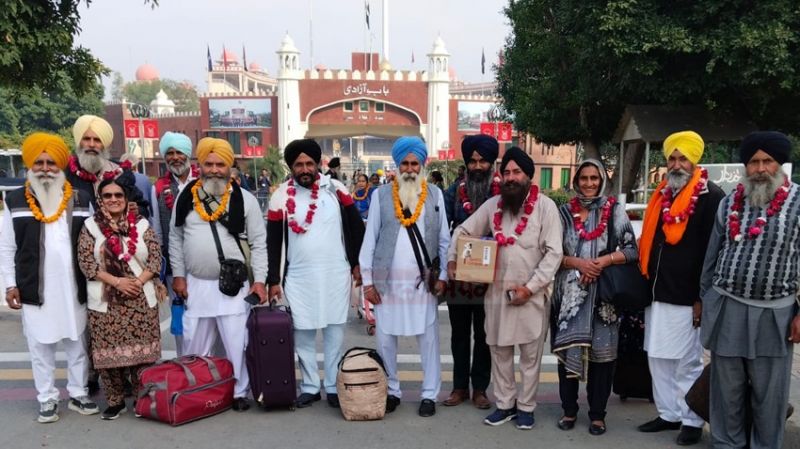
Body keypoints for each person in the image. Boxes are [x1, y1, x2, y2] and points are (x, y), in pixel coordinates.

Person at [447, 147, 563, 430]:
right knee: (499, 351)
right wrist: (453, 259)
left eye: (517, 172)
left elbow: (554, 254)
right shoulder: (493, 206)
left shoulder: (545, 207)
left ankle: (526, 407)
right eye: (507, 172)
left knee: (529, 355)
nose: (510, 178)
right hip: (497, 294)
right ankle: (505, 405)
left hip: (531, 295)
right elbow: (463, 230)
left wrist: (531, 287)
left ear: (528, 176)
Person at [700, 131, 800, 449]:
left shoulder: (798, 202)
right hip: (728, 306)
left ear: (779, 164)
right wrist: (705, 299)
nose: (760, 168)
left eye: (767, 161)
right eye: (754, 162)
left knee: (769, 394)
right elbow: (712, 256)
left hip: (777, 314)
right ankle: (726, 444)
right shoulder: (731, 200)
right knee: (725, 389)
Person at [0, 133, 99, 423]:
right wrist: (9, 284)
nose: (46, 168)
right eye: (40, 162)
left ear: (61, 166)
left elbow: (95, 241)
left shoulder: (79, 199)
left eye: (52, 162)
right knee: (40, 347)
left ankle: (79, 393)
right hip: (35, 286)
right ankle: (46, 398)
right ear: (31, 164)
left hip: (73, 286)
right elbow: (7, 247)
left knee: (77, 343)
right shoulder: (16, 200)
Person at [637, 131, 724, 445]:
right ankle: (668, 413)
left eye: (682, 158)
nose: (676, 164)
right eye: (672, 158)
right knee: (657, 356)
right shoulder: (663, 193)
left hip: (688, 296)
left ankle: (691, 420)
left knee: (686, 360)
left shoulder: (711, 196)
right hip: (657, 291)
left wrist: (703, 297)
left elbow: (713, 251)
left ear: (694, 160)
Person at [169, 137, 268, 412]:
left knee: (237, 342)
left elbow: (259, 244)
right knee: (194, 343)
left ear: (230, 166)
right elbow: (175, 238)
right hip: (196, 284)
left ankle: (238, 391)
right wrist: (178, 275)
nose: (214, 170)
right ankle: (196, 388)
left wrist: (259, 281)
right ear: (200, 165)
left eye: (220, 164)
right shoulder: (186, 195)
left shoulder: (245, 199)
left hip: (234, 285)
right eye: (208, 164)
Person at [266, 139, 365, 408]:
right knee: (302, 332)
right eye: (299, 164)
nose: (305, 168)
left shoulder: (336, 189)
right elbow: (272, 242)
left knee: (335, 329)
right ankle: (310, 385)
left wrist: (358, 264)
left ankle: (332, 384)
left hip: (336, 272)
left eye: (309, 163)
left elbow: (356, 229)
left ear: (318, 164)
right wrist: (273, 280)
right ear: (291, 167)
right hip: (298, 276)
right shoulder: (279, 196)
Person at [359, 136, 450, 418]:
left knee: (429, 340)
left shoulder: (434, 194)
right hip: (387, 283)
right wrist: (368, 282)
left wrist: (444, 276)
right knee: (386, 340)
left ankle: (429, 394)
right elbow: (369, 240)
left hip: (424, 283)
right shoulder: (381, 195)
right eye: (405, 163)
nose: (410, 169)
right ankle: (393, 390)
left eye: (415, 163)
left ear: (422, 164)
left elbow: (444, 240)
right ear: (397, 165)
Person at [551, 159, 639, 435]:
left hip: (604, 297)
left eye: (594, 178)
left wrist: (602, 262)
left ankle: (598, 414)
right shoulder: (563, 213)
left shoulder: (614, 211)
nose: (589, 184)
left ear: (601, 180)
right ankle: (568, 411)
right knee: (568, 351)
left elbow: (632, 251)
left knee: (603, 357)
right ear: (575, 181)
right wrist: (578, 263)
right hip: (570, 296)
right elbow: (551, 254)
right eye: (584, 178)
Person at [77, 176, 162, 420]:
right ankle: (114, 401)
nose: (113, 200)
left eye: (118, 195)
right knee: (108, 356)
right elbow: (86, 263)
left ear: (126, 199)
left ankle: (141, 398)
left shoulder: (142, 225)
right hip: (105, 301)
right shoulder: (90, 227)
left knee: (141, 356)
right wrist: (117, 282)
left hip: (140, 298)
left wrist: (136, 282)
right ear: (100, 199)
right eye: (107, 196)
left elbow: (155, 259)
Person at [441, 134, 501, 410]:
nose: (477, 166)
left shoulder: (503, 195)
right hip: (460, 276)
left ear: (492, 162)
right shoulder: (453, 192)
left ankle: (480, 389)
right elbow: (444, 232)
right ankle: (459, 387)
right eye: (472, 161)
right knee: (459, 334)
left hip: (492, 277)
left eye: (482, 161)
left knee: (486, 334)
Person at [151, 132, 197, 356]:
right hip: (173, 266)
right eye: (170, 153)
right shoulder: (158, 187)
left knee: (202, 316)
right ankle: (185, 362)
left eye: (179, 152)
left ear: (188, 154)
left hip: (201, 264)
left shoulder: (202, 181)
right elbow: (158, 229)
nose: (175, 157)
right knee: (179, 315)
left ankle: (207, 364)